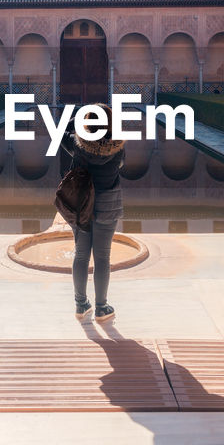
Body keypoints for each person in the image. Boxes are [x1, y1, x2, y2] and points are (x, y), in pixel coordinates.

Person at [62, 105, 125, 320]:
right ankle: (101, 307)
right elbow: (121, 165)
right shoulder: (118, 148)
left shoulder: (78, 146)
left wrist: (75, 118)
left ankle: (81, 305)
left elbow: (62, 133)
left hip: (82, 205)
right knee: (102, 257)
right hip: (107, 205)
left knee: (81, 254)